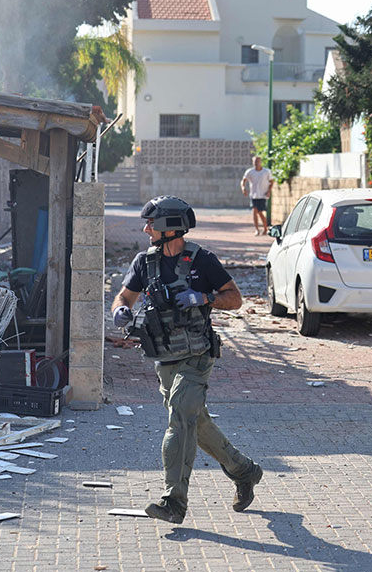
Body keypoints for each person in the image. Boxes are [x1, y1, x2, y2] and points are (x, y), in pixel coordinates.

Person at [110, 195, 263, 524]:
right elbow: (124, 296)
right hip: (164, 358)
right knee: (196, 424)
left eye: (152, 223)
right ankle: (244, 471)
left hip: (196, 356)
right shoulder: (145, 262)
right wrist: (120, 310)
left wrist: (205, 296)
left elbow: (235, 298)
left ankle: (174, 502)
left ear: (169, 227)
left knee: (179, 419)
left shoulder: (202, 261)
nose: (146, 228)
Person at [241, 156, 273, 236]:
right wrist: (243, 188)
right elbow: (243, 180)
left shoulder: (266, 171)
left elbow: (271, 182)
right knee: (255, 211)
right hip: (254, 195)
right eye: (255, 161)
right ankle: (257, 229)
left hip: (262, 195)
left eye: (258, 161)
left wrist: (269, 191)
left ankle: (265, 228)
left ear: (260, 162)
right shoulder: (250, 171)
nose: (256, 163)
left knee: (260, 212)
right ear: (253, 162)